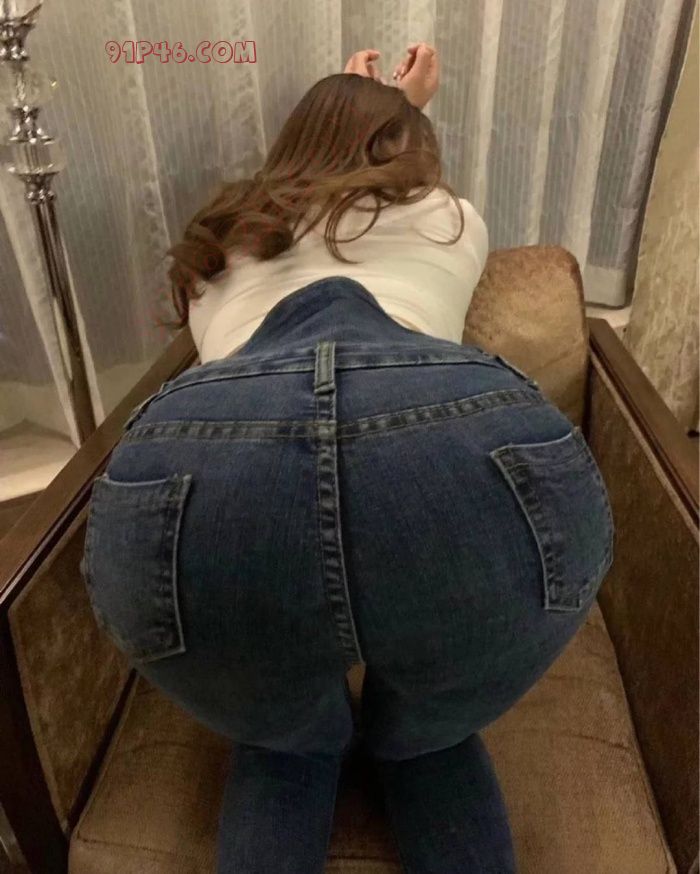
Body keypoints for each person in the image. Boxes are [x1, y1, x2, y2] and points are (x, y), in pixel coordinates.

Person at [80, 43, 614, 874]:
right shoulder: (447, 218)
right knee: (432, 742)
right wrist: (402, 106)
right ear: (407, 154)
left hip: (213, 460)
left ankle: (298, 742)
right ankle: (417, 742)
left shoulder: (218, 250)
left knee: (283, 749)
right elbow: (391, 176)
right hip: (452, 446)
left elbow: (322, 186)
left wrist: (351, 104)